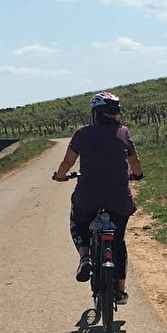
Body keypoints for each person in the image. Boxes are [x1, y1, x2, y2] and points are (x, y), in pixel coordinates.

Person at [52, 92, 143, 304]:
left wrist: (60, 176)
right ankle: (120, 290)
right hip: (119, 199)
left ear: (95, 113)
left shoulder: (82, 133)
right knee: (118, 240)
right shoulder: (123, 132)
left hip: (88, 197)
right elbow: (135, 162)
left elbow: (68, 162)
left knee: (77, 222)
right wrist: (137, 175)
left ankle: (85, 256)